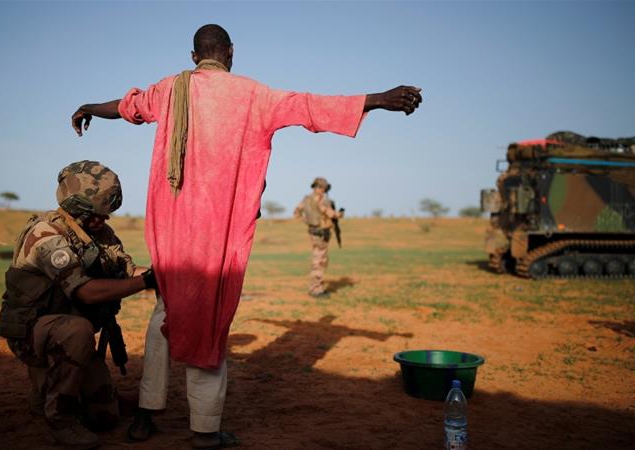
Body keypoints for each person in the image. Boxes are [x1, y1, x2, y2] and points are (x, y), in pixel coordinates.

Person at [70, 24, 422, 448]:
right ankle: (205, 429)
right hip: (221, 232)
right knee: (211, 320)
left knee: (166, 311)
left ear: (193, 56)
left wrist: (89, 105)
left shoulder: (169, 90)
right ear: (231, 52)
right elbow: (310, 107)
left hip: (174, 230)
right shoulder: (254, 95)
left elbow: (126, 107)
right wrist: (379, 99)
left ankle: (146, 417)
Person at [0, 160, 157, 448]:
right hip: (34, 333)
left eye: (105, 214)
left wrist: (164, 274)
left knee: (105, 418)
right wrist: (147, 283)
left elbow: (128, 271)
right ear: (75, 207)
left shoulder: (100, 234)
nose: (103, 220)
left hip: (68, 333)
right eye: (95, 214)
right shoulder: (46, 235)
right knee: (78, 330)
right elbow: (86, 293)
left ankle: (53, 389)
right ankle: (59, 416)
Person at [294, 177, 342, 298]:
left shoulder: (306, 199)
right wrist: (339, 214)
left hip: (313, 232)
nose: (323, 190)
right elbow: (330, 213)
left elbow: (297, 212)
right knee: (319, 261)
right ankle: (316, 289)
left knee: (318, 259)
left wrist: (307, 221)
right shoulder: (322, 201)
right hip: (321, 234)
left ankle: (317, 287)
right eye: (322, 187)